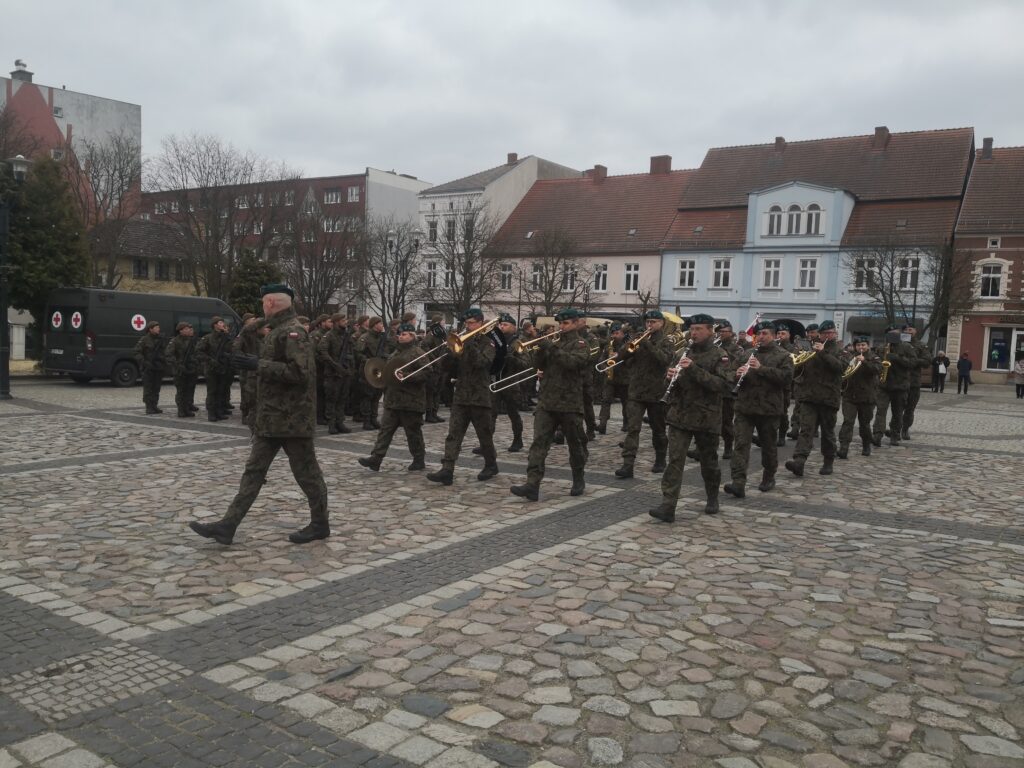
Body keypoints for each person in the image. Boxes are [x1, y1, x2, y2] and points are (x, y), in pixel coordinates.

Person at [189, 284, 329, 546]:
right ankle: (228, 525)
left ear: (270, 303)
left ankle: (320, 524)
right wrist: (252, 328)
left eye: (264, 303)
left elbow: (300, 373)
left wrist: (257, 364)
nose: (262, 307)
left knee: (307, 474)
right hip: (271, 418)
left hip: (292, 420)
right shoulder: (277, 329)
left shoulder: (293, 332)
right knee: (253, 471)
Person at [649, 314, 731, 522]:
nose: (693, 333)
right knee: (675, 461)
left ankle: (712, 496)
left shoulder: (719, 355)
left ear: (710, 331)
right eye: (692, 329)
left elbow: (721, 385)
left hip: (706, 417)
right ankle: (668, 505)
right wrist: (670, 378)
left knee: (709, 462)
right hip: (680, 415)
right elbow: (674, 385)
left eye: (699, 329)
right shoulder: (680, 352)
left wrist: (692, 369)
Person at [511, 308, 590, 501]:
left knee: (576, 445)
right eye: (559, 324)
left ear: (575, 323)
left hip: (569, 403)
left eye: (565, 324)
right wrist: (540, 349)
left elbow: (572, 363)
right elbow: (537, 366)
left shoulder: (581, 344)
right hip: (547, 402)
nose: (561, 327)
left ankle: (578, 478)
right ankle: (532, 484)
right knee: (539, 444)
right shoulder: (553, 343)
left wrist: (551, 347)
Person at [427, 308, 499, 485]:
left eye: (472, 323)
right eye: (467, 323)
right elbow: (447, 368)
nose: (468, 326)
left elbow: (482, 363)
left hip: (479, 396)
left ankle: (491, 464)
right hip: (460, 395)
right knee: (454, 434)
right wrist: (450, 353)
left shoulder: (488, 343)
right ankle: (447, 469)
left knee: (484, 435)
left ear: (481, 323)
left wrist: (470, 344)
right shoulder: (460, 342)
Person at [724, 320, 793, 498]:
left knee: (768, 445)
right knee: (740, 445)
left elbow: (786, 378)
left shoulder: (783, 355)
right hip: (744, 407)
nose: (761, 337)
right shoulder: (746, 353)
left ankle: (769, 476)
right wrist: (736, 374)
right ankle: (738, 482)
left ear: (773, 335)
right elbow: (729, 374)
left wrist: (762, 369)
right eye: (758, 334)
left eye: (765, 334)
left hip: (769, 409)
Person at [357, 323, 427, 471]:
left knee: (413, 432)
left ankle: (419, 459)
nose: (401, 337)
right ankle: (376, 458)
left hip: (411, 400)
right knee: (385, 430)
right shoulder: (394, 353)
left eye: (405, 334)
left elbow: (427, 373)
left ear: (412, 336)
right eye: (400, 334)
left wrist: (406, 376)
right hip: (392, 399)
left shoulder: (418, 352)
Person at [616, 310, 675, 479]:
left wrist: (648, 345)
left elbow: (664, 360)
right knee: (633, 429)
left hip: (657, 392)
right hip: (636, 391)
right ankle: (627, 465)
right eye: (648, 322)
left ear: (662, 323)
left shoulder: (666, 341)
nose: (650, 325)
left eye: (654, 322)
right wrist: (629, 348)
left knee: (658, 429)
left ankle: (660, 459)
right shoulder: (638, 338)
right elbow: (621, 357)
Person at [785, 320, 844, 477]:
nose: (826, 336)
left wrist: (823, 353)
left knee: (827, 433)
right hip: (809, 396)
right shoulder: (811, 348)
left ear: (835, 334)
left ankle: (828, 460)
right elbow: (800, 370)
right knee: (806, 431)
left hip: (828, 398)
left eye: (829, 333)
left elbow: (840, 368)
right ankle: (799, 461)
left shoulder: (840, 351)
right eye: (823, 333)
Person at [837, 337, 882, 458]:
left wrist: (865, 361)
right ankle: (843, 448)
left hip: (867, 396)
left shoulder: (874, 357)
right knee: (848, 422)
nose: (861, 347)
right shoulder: (850, 356)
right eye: (858, 345)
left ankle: (866, 445)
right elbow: (842, 370)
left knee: (864, 424)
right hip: (850, 395)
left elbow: (877, 369)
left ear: (867, 346)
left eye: (863, 345)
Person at [871, 326, 916, 446]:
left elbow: (913, 363)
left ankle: (895, 435)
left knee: (897, 412)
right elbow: (875, 362)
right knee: (881, 411)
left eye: (895, 334)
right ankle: (877, 434)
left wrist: (898, 358)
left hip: (900, 386)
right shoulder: (882, 348)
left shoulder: (906, 347)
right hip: (884, 385)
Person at [491, 313, 526, 452]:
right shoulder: (496, 340)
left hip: (511, 382)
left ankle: (518, 439)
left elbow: (526, 364)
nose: (502, 327)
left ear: (513, 327)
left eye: (505, 325)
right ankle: (486, 443)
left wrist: (512, 359)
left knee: (513, 413)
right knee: (490, 414)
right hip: (496, 380)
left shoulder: (518, 342)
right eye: (501, 325)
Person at [318, 313, 355, 434]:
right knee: (332, 399)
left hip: (345, 372)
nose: (345, 322)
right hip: (332, 374)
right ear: (336, 322)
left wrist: (350, 369)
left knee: (342, 399)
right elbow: (322, 352)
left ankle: (340, 422)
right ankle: (332, 424)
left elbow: (351, 353)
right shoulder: (328, 336)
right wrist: (335, 365)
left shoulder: (346, 335)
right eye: (343, 320)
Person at [355, 316, 392, 430]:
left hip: (380, 368)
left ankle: (373, 419)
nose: (382, 326)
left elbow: (387, 351)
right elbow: (358, 353)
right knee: (368, 395)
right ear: (374, 324)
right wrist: (368, 361)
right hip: (368, 370)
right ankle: (366, 420)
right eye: (380, 324)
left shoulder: (383, 338)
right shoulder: (364, 337)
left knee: (376, 395)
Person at [196, 316, 234, 421]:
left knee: (221, 391)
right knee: (212, 391)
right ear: (215, 325)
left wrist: (227, 335)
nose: (223, 324)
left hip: (223, 368)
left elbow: (233, 348)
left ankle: (219, 411)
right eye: (221, 322)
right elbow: (199, 352)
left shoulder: (226, 337)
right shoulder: (207, 338)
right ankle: (211, 413)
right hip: (211, 369)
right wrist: (210, 360)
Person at [715, 321, 743, 460]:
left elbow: (735, 365)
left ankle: (728, 446)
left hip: (728, 389)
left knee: (726, 421)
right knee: (712, 420)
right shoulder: (715, 346)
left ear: (731, 333)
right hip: (715, 388)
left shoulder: (737, 349)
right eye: (720, 331)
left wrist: (723, 353)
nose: (721, 334)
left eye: (724, 331)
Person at [598, 322, 630, 434]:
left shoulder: (628, 346)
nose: (614, 336)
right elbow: (601, 360)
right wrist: (605, 367)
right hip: (610, 378)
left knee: (626, 402)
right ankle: (602, 423)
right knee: (605, 400)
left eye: (617, 333)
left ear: (622, 334)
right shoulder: (609, 346)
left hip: (625, 378)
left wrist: (620, 356)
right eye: (613, 334)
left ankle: (626, 423)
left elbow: (631, 361)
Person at [900, 324, 931, 440]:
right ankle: (895, 428)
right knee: (898, 408)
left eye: (910, 329)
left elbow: (927, 361)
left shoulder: (921, 345)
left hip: (913, 382)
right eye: (905, 330)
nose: (908, 332)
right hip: (899, 381)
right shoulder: (898, 344)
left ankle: (905, 429)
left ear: (915, 331)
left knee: (910, 408)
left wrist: (912, 361)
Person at [233, 314, 261, 430]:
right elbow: (236, 350)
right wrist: (246, 359)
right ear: (246, 322)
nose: (254, 321)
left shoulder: (258, 335)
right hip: (246, 369)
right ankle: (245, 414)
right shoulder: (243, 335)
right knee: (246, 393)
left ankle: (254, 414)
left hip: (257, 368)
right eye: (252, 320)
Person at [133, 320, 167, 414]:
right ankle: (149, 407)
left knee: (156, 388)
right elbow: (136, 352)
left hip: (158, 367)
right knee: (148, 388)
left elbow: (164, 352)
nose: (158, 329)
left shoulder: (161, 339)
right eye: (156, 328)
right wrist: (144, 362)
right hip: (148, 368)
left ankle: (154, 405)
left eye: (158, 327)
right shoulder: (144, 339)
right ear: (150, 329)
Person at [167, 321, 200, 418]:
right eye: (185, 329)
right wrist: (177, 364)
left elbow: (196, 353)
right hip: (180, 371)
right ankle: (181, 410)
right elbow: (169, 355)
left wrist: (195, 362)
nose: (188, 330)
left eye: (188, 329)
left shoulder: (191, 341)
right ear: (180, 331)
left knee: (188, 390)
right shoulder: (175, 341)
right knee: (181, 391)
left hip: (190, 369)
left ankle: (186, 409)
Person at [775, 323, 797, 445]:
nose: (780, 336)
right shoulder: (772, 347)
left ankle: (782, 435)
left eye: (783, 333)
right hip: (772, 383)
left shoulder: (793, 349)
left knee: (782, 411)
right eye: (778, 333)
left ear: (789, 335)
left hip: (785, 386)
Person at [423, 314, 448, 423]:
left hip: (441, 365)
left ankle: (434, 412)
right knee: (431, 391)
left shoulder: (441, 335)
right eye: (443, 321)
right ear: (438, 322)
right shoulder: (431, 334)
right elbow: (425, 347)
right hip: (433, 366)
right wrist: (434, 359)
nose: (444, 323)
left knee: (437, 391)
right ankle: (429, 414)